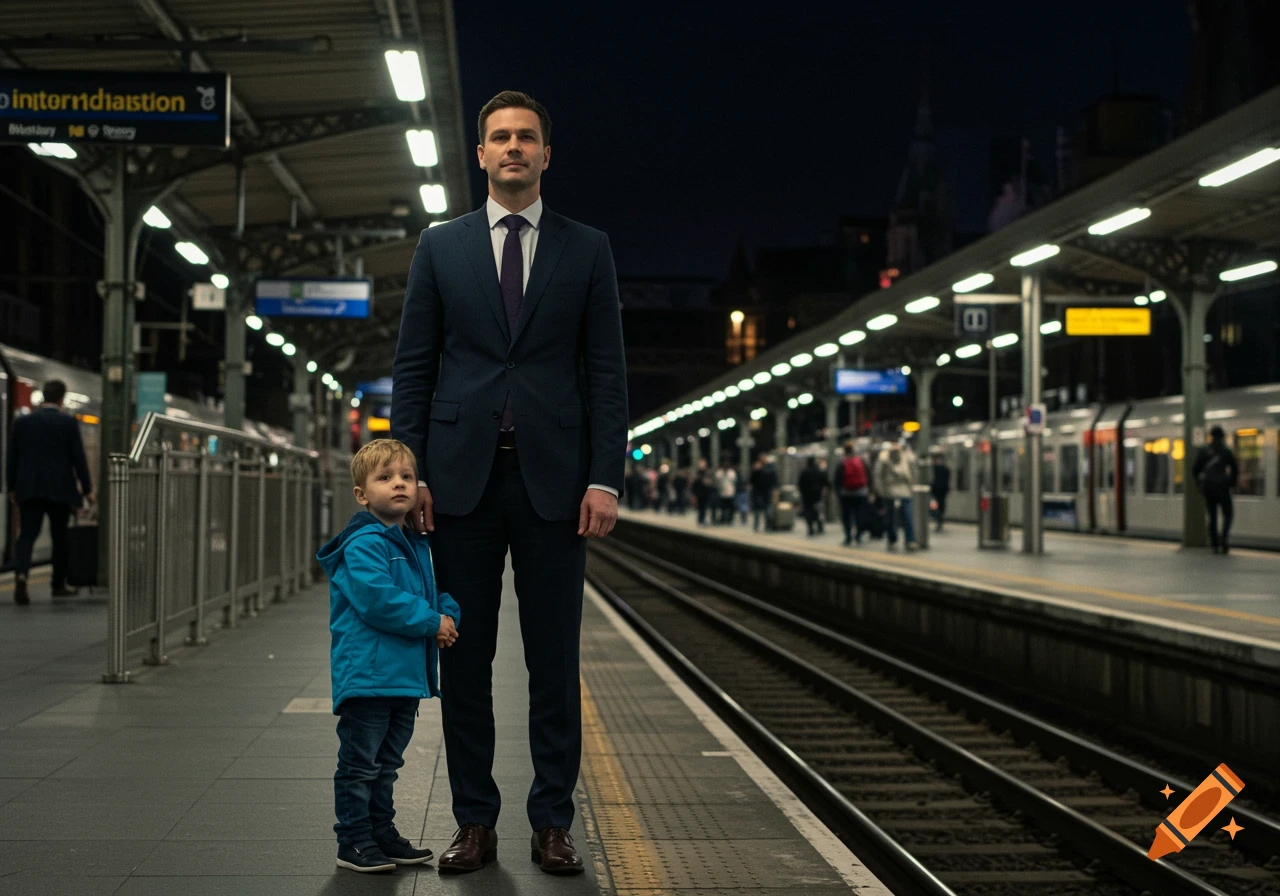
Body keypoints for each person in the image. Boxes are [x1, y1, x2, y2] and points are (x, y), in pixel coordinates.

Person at [391, 91, 627, 875]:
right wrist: (410, 471)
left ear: (547, 154)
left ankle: (553, 821)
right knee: (466, 657)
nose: (515, 148)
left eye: (528, 137)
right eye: (501, 137)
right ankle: (475, 821)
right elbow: (415, 368)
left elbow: (606, 375)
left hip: (556, 486)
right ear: (482, 154)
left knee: (554, 659)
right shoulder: (440, 246)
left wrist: (605, 478)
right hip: (458, 486)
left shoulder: (587, 248)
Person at [316, 439, 462, 874]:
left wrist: (447, 614)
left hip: (402, 675)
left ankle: (381, 833)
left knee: (387, 763)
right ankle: (353, 841)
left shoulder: (414, 543)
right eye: (385, 478)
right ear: (362, 494)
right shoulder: (364, 543)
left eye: (407, 477)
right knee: (360, 764)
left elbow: (432, 593)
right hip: (369, 674)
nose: (399, 484)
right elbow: (378, 600)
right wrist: (431, 621)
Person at [6, 379, 94, 605]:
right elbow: (78, 459)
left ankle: (22, 576)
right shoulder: (67, 423)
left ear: (44, 396)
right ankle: (58, 585)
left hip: (30, 489)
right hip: (60, 490)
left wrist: (11, 487)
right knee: (60, 537)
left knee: (26, 536)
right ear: (61, 399)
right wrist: (87, 490)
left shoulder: (23, 422)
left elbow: (12, 458)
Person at [1193, 425, 1239, 554]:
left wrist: (1199, 485)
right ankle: (1224, 539)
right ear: (1222, 436)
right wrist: (1231, 483)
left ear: (1211, 436)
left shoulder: (1204, 450)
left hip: (1209, 488)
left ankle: (1214, 543)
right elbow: (1235, 468)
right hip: (1223, 487)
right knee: (1228, 514)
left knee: (1212, 516)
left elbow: (1195, 469)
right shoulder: (1225, 450)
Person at [874, 441, 918, 550]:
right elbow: (913, 472)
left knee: (890, 516)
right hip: (905, 491)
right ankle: (910, 540)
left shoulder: (883, 458)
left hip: (889, 491)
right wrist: (912, 486)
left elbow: (878, 475)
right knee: (907, 516)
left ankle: (892, 539)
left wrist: (880, 491)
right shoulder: (906, 456)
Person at [833, 441, 869, 546]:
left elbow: (837, 479)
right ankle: (858, 536)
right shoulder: (861, 460)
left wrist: (838, 492)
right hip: (861, 492)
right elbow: (868, 474)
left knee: (846, 516)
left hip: (846, 494)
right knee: (859, 515)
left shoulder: (842, 462)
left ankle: (848, 537)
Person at [798, 457, 827, 537]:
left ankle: (810, 529)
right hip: (817, 496)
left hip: (806, 496)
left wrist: (802, 493)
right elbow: (824, 482)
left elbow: (800, 484)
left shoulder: (804, 471)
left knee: (808, 512)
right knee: (818, 511)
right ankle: (820, 527)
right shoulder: (818, 471)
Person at [749, 456, 778, 532]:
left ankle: (763, 527)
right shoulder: (762, 469)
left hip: (763, 492)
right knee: (762, 510)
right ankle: (764, 527)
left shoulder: (765, 469)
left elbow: (751, 480)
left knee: (763, 511)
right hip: (761, 492)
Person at [930, 450, 951, 533]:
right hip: (940, 491)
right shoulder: (946, 469)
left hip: (939, 491)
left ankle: (939, 520)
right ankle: (939, 520)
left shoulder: (936, 469)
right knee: (939, 507)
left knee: (938, 507)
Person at [714, 460, 737, 525]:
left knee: (730, 507)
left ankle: (729, 519)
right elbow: (717, 479)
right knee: (722, 507)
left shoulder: (731, 472)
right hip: (722, 492)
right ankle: (723, 519)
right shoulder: (719, 472)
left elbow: (734, 480)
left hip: (730, 492)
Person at [692, 458, 713, 525]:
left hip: (706, 492)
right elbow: (695, 482)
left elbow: (709, 482)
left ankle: (702, 519)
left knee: (704, 506)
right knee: (700, 506)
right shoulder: (698, 472)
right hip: (699, 492)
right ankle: (700, 519)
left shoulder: (707, 472)